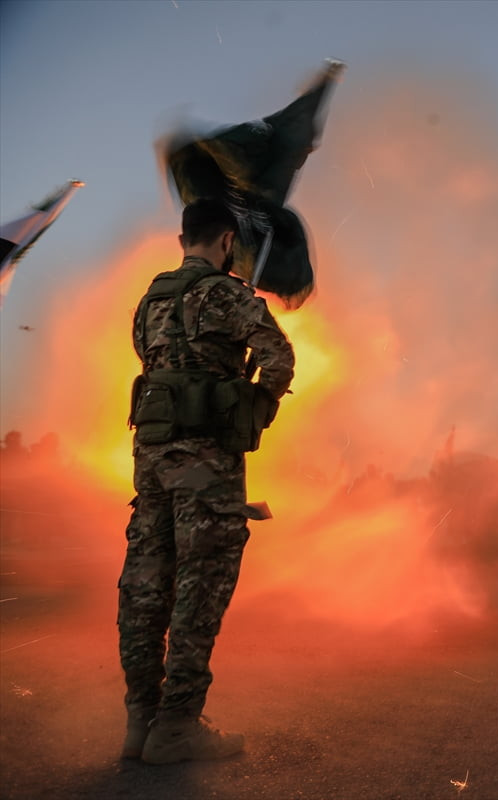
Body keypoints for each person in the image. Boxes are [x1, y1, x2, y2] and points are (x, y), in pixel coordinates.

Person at [119, 198, 295, 764]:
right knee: (201, 588)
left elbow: (149, 361)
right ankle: (176, 728)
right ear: (227, 242)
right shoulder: (228, 294)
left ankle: (140, 722)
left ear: (182, 240)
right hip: (208, 466)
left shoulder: (150, 300)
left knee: (146, 586)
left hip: (151, 462)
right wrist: (252, 408)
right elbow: (279, 359)